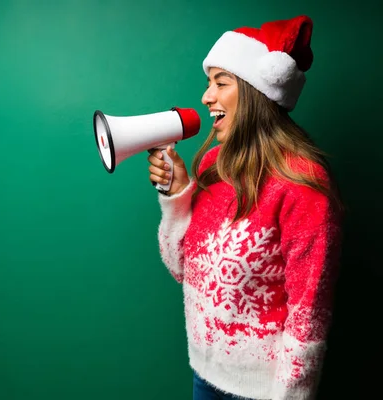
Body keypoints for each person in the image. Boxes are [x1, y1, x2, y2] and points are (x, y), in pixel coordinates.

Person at [147, 15, 343, 400]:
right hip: (204, 376)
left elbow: (308, 316)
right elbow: (182, 270)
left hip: (264, 392)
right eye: (208, 84)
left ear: (257, 92)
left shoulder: (304, 186)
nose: (206, 97)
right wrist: (176, 198)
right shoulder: (210, 165)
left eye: (221, 83)